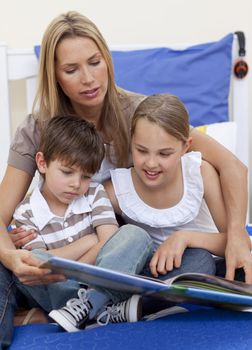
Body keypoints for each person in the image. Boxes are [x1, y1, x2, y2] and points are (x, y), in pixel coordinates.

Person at [0, 9, 250, 347]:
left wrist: (236, 235)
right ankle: (75, 310)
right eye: (72, 70)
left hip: (125, 260)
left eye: (95, 62)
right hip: (59, 258)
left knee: (194, 261)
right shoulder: (36, 130)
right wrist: (14, 258)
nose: (88, 79)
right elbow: (2, 216)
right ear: (55, 75)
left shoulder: (143, 115)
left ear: (108, 59)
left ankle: (93, 307)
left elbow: (232, 165)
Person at [13, 115, 152, 333]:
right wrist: (89, 241)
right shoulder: (25, 213)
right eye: (67, 172)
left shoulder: (94, 193)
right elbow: (41, 266)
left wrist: (72, 265)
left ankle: (88, 307)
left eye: (86, 176)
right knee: (34, 261)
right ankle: (102, 309)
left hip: (99, 280)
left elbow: (111, 241)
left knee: (135, 235)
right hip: (62, 290)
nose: (76, 184)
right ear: (42, 163)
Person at [104, 94, 235, 280]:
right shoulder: (116, 190)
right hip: (153, 272)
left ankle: (132, 304)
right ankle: (128, 305)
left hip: (205, 265)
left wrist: (185, 238)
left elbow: (235, 240)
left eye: (164, 154)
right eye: (141, 151)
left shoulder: (199, 173)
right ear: (131, 141)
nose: (151, 163)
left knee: (202, 261)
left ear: (185, 147)